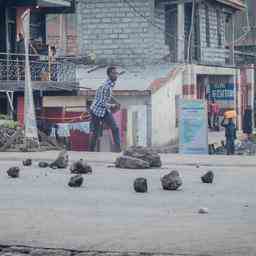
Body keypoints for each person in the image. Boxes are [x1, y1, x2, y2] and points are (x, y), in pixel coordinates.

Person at [89, 66, 121, 152]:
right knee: (96, 132)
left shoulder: (110, 84)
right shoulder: (105, 86)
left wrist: (116, 101)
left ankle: (118, 149)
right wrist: (113, 105)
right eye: (114, 73)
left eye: (116, 73)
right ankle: (91, 151)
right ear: (109, 75)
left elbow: (108, 96)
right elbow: (101, 103)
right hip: (96, 110)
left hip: (104, 110)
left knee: (115, 128)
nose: (116, 75)